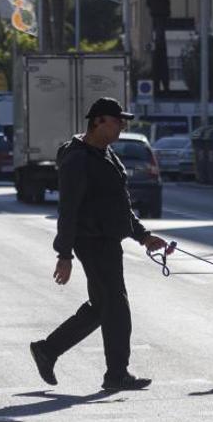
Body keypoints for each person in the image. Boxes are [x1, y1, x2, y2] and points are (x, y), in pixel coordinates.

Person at [29, 97, 172, 391]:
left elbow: (119, 205)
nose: (122, 125)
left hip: (106, 240)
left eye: (122, 121)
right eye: (116, 120)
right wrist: (64, 254)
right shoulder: (78, 159)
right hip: (91, 241)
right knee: (116, 306)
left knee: (102, 306)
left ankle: (48, 350)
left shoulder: (105, 155)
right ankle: (116, 374)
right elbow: (68, 209)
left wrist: (143, 235)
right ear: (98, 122)